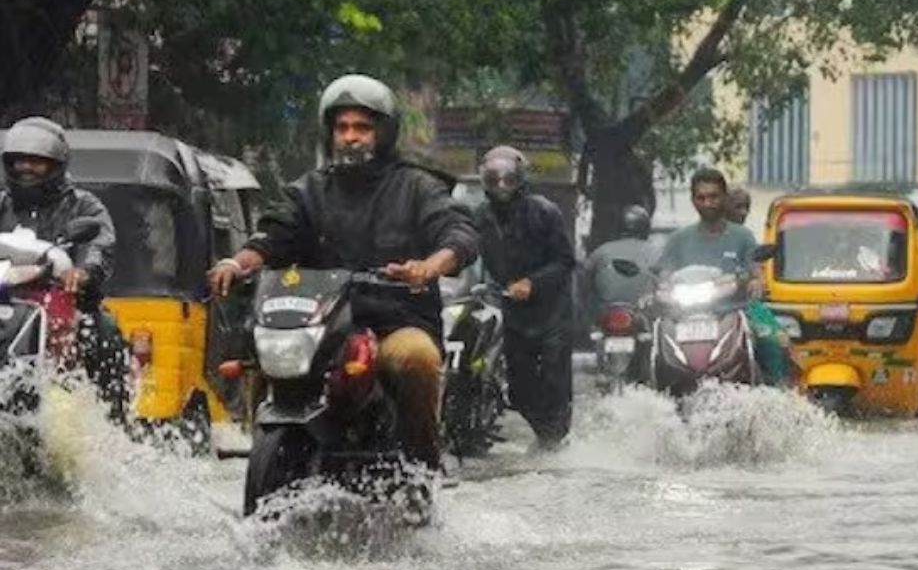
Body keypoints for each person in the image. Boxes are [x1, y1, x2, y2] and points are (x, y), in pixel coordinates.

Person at [207, 73, 479, 475]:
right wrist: (237, 263)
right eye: (342, 127)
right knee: (265, 357)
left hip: (394, 324)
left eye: (363, 128)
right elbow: (272, 237)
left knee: (418, 360)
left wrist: (428, 267)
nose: (351, 137)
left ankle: (424, 466)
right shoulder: (308, 191)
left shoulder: (417, 187)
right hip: (320, 327)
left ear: (383, 133)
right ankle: (263, 442)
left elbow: (459, 233)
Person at [0, 117, 127, 419]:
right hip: (5, 294)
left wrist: (84, 271)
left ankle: (110, 419)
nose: (26, 168)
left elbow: (100, 243)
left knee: (104, 332)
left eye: (37, 162)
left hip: (65, 299)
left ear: (56, 165)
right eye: (19, 161)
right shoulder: (2, 203)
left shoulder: (83, 205)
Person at [475, 145, 575, 450]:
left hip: (551, 310)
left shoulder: (544, 211)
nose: (502, 186)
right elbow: (467, 249)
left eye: (508, 179)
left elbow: (565, 260)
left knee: (555, 378)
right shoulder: (479, 216)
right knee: (518, 388)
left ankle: (556, 439)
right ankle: (546, 434)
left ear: (520, 179)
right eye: (494, 179)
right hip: (513, 309)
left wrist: (533, 282)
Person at [658, 168, 759, 283]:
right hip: (687, 299)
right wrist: (663, 283)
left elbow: (755, 274)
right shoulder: (677, 239)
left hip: (733, 300)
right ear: (693, 200)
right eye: (701, 198)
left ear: (725, 197)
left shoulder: (744, 237)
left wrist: (751, 281)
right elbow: (664, 275)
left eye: (713, 197)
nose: (707, 203)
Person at [579, 204, 660, 324]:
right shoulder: (657, 253)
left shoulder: (602, 251)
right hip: (643, 314)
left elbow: (583, 279)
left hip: (605, 314)